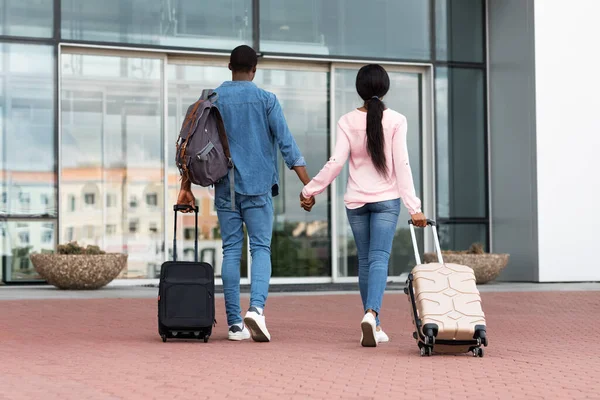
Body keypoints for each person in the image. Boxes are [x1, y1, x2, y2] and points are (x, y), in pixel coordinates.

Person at [177, 45, 313, 342]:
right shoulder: (266, 100)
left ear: (229, 67)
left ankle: (235, 325)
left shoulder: (212, 98)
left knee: (230, 251)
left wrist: (185, 187)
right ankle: (257, 310)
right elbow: (287, 145)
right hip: (259, 186)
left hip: (225, 186)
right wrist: (308, 185)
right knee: (260, 249)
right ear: (254, 70)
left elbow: (190, 145)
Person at [300, 64, 427, 347]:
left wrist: (310, 189)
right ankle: (372, 315)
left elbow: (336, 163)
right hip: (386, 201)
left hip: (356, 202)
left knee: (366, 261)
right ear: (385, 88)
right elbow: (402, 165)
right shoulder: (396, 120)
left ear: (359, 90)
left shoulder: (347, 120)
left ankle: (373, 323)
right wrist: (414, 207)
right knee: (379, 258)